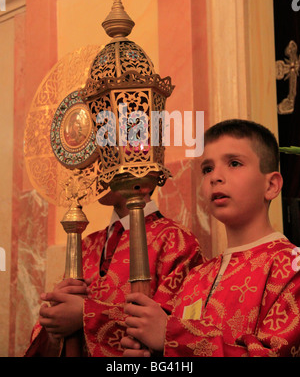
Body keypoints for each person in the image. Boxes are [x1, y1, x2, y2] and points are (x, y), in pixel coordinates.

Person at [121, 119, 300, 357]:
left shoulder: (292, 267)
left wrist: (172, 337)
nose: (216, 176)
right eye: (207, 169)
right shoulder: (196, 278)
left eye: (234, 163)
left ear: (271, 185)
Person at [24, 188, 204, 357]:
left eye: (107, 159)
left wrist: (86, 315)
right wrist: (54, 328)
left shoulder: (176, 240)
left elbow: (176, 333)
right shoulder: (87, 244)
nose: (96, 171)